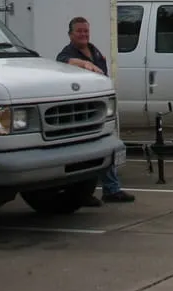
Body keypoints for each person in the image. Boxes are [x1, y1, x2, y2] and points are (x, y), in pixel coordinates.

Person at [56, 16, 135, 205]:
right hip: (80, 114)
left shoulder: (95, 51)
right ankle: (83, 194)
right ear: (70, 34)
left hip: (99, 111)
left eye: (86, 31)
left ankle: (111, 190)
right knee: (83, 154)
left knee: (106, 148)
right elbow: (65, 61)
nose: (84, 34)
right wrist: (84, 64)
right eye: (79, 31)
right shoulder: (67, 54)